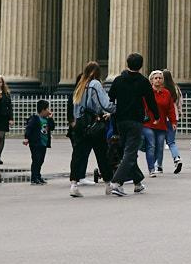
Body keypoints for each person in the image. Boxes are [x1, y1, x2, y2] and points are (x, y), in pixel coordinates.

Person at [106, 53, 155, 195]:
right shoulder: (143, 81)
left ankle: (138, 182)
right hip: (135, 120)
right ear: (141, 65)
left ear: (127, 64)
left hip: (120, 120)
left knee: (129, 151)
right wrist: (156, 116)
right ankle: (117, 182)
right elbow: (150, 100)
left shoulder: (118, 80)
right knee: (130, 152)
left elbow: (110, 98)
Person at [66, 62, 112, 196]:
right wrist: (115, 110)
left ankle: (74, 185)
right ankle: (108, 184)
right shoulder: (95, 84)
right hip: (94, 123)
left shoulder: (80, 85)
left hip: (80, 125)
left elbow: (75, 108)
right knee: (102, 154)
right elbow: (104, 103)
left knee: (78, 154)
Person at [145, 68, 181, 176]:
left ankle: (158, 165)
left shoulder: (166, 93)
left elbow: (170, 109)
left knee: (160, 146)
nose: (158, 80)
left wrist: (173, 122)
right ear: (151, 80)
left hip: (161, 124)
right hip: (149, 123)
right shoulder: (147, 93)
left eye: (160, 78)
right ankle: (151, 168)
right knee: (151, 145)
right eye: (155, 78)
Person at [24, 96, 54, 185]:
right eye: (47, 109)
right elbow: (29, 129)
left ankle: (38, 176)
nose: (49, 110)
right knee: (36, 160)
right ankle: (34, 178)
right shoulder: (35, 119)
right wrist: (26, 138)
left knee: (41, 160)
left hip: (43, 143)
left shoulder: (47, 120)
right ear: (42, 110)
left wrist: (51, 118)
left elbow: (52, 127)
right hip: (35, 143)